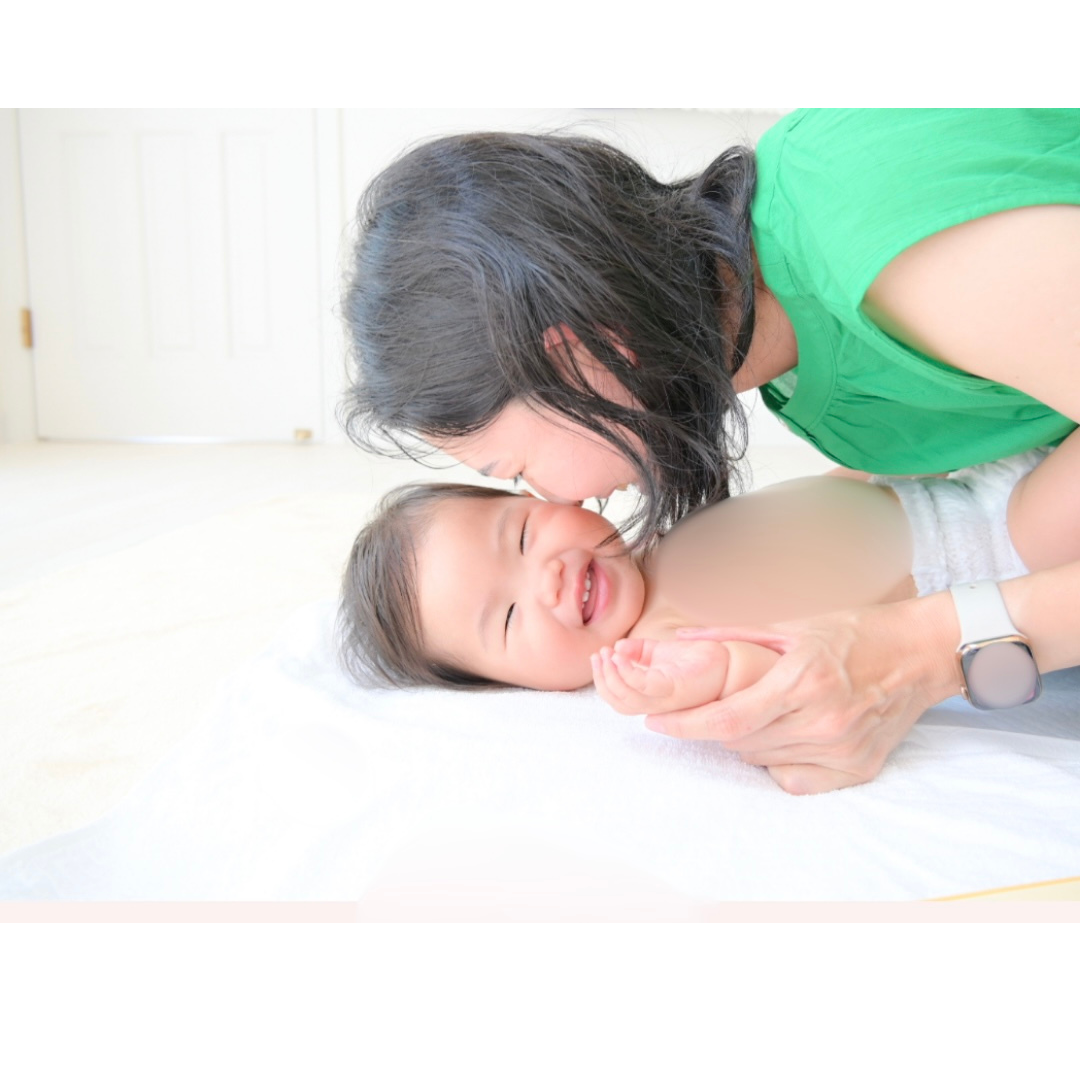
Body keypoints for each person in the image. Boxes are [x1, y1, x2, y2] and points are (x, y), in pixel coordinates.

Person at [339, 109, 1080, 792]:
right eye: (507, 618)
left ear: (577, 360)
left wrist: (926, 651)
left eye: (517, 479)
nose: (557, 500)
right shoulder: (805, 379)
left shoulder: (871, 243)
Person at [339, 445, 1071, 790]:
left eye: (524, 535)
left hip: (947, 479)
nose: (547, 578)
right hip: (990, 551)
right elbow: (760, 672)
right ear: (512, 685)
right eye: (507, 619)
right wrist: (678, 683)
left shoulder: (660, 546)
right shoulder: (658, 640)